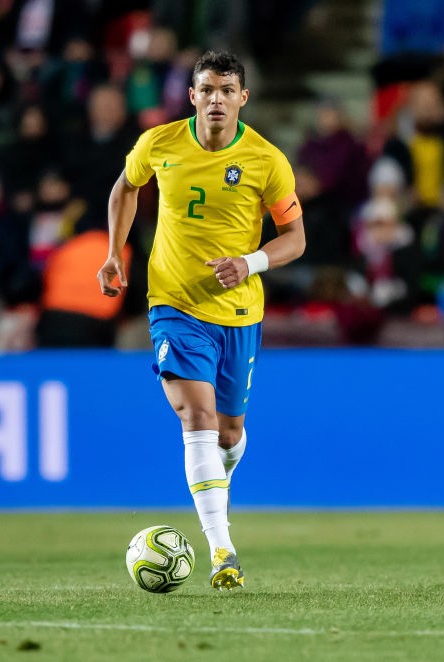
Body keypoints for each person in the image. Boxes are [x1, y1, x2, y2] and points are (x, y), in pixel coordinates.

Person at [97, 51, 305, 590]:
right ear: (191, 96)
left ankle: (219, 473)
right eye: (206, 89)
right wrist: (116, 252)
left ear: (243, 98)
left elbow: (296, 240)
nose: (216, 99)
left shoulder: (266, 159)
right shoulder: (158, 144)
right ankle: (222, 550)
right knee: (197, 419)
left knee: (230, 434)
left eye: (226, 89)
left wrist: (251, 262)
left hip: (239, 315)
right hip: (173, 304)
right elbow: (126, 187)